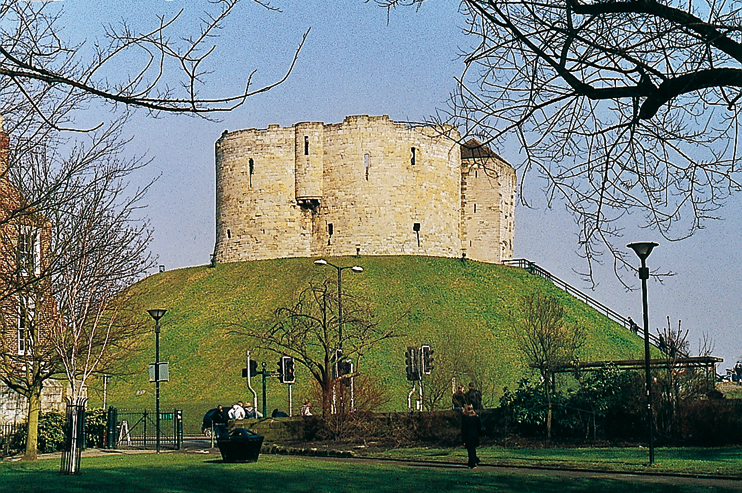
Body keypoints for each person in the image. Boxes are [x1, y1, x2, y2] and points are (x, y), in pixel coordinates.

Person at [461, 404, 483, 469]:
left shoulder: (465, 418)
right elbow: (479, 427)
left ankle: (472, 463)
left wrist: (463, 439)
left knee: (470, 450)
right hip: (475, 435)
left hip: (468, 436)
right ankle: (473, 461)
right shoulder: (476, 417)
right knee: (472, 449)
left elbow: (463, 429)